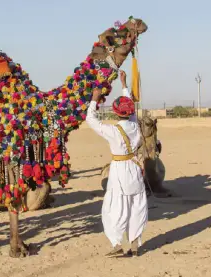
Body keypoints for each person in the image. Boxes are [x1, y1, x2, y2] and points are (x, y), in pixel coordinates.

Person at [86, 70, 148, 257]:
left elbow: (91, 119)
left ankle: (116, 243)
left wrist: (94, 99)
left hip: (119, 170)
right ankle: (135, 243)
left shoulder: (113, 131)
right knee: (136, 204)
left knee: (115, 207)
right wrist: (124, 85)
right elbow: (131, 109)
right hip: (134, 167)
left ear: (115, 112)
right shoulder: (135, 125)